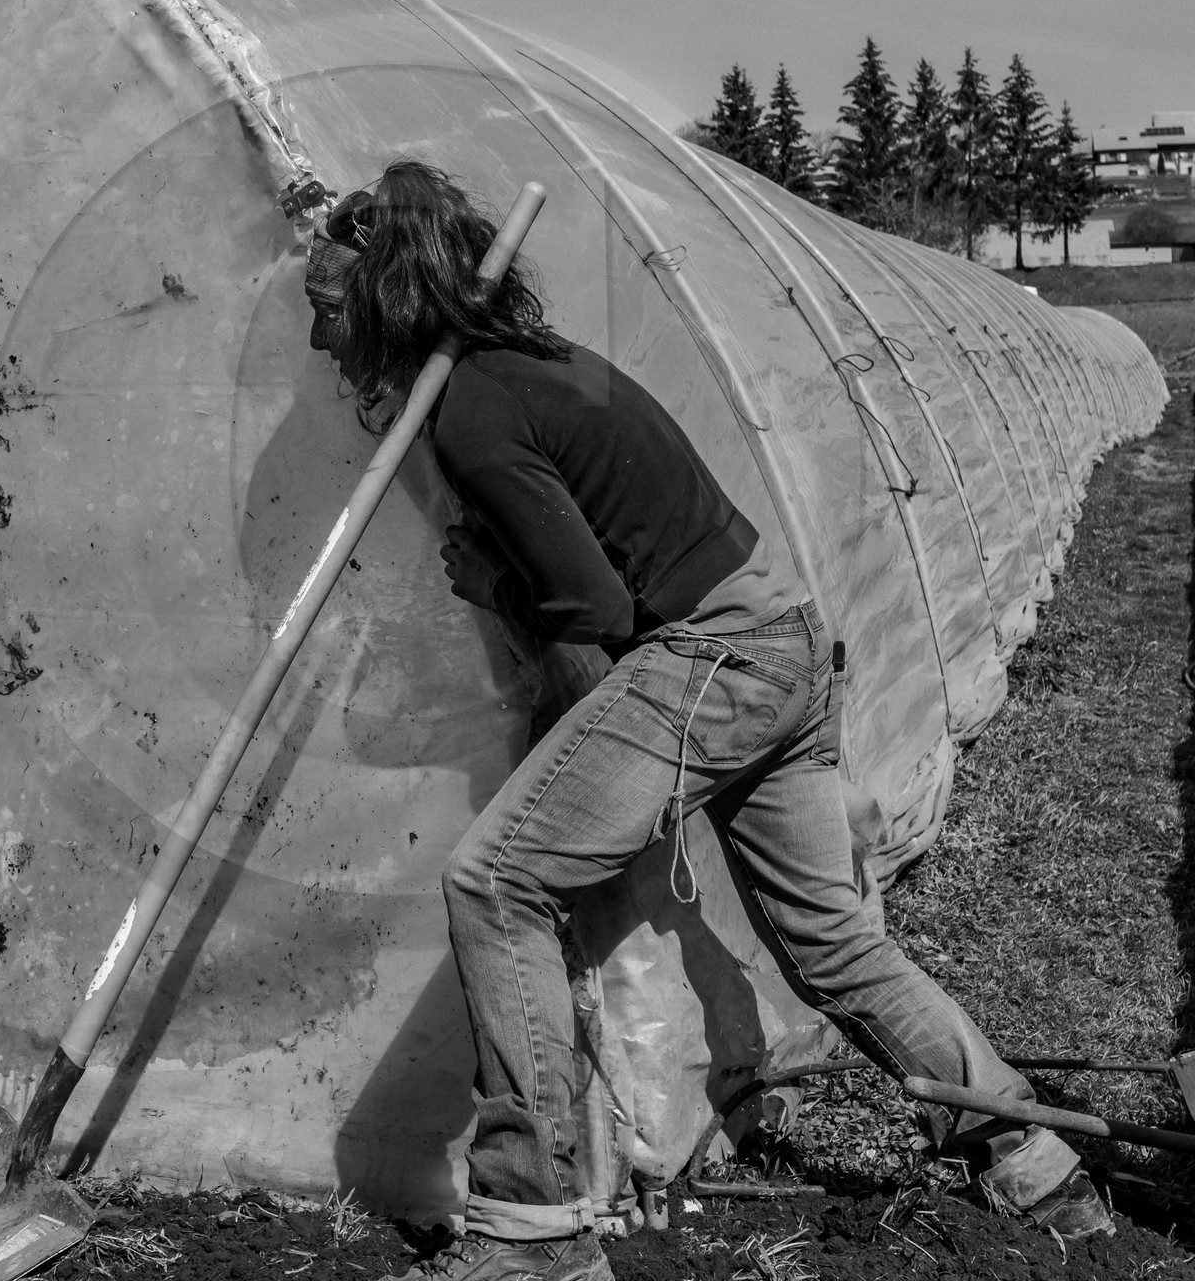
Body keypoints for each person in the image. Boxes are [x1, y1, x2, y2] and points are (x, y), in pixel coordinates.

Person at [302, 161, 1112, 1281]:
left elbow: (593, 610)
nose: (318, 340)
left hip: (714, 662)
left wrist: (491, 587)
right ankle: (1033, 1160)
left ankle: (531, 1230)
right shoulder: (541, 364)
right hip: (785, 638)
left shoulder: (474, 413)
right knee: (833, 944)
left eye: (325, 310)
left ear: (382, 302)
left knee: (494, 883)